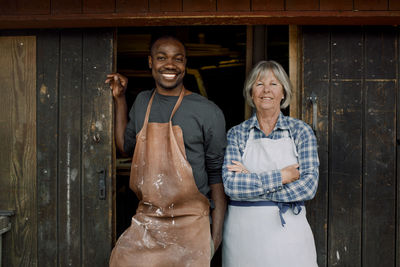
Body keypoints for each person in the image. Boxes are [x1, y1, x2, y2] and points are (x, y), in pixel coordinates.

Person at [106, 35, 227, 267]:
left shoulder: (208, 111)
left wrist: (216, 236)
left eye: (177, 59)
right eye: (162, 58)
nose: (170, 65)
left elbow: (216, 176)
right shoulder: (142, 102)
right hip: (148, 222)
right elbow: (124, 147)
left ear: (185, 64)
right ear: (151, 62)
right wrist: (120, 99)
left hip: (191, 225)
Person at [222, 60, 319, 267]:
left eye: (274, 84)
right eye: (259, 84)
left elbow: (309, 187)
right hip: (243, 237)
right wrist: (282, 177)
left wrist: (251, 180)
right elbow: (231, 186)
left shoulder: (301, 131)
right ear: (251, 93)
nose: (266, 90)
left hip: (289, 236)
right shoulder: (237, 133)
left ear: (283, 92)